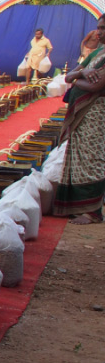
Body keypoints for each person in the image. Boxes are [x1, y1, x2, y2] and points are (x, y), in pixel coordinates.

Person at [55, 13, 105, 224]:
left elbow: (97, 85)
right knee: (80, 155)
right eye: (98, 27)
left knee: (93, 157)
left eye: (103, 28)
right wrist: (81, 74)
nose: (99, 32)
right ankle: (80, 206)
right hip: (84, 113)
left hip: (97, 113)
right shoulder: (98, 52)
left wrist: (77, 79)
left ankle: (93, 211)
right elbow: (68, 76)